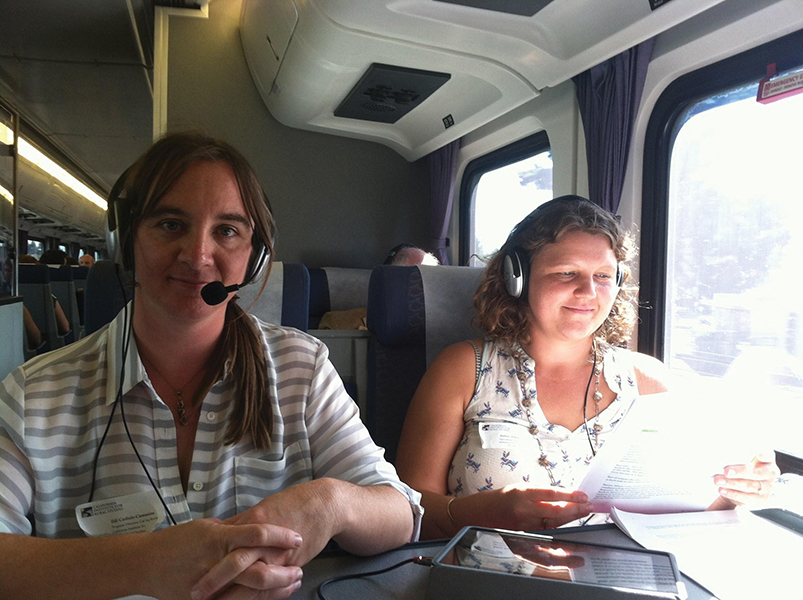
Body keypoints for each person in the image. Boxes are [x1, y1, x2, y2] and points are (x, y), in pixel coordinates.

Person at [0, 132, 421, 599]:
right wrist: (146, 562)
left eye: (227, 230)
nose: (198, 256)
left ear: (254, 254)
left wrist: (330, 502)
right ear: (125, 241)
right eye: (170, 224)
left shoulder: (301, 369)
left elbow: (400, 513)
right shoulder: (33, 395)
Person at [395, 195, 779, 540]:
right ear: (518, 279)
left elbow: (688, 514)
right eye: (566, 273)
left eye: (603, 276)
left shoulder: (648, 381)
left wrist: (735, 492)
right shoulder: (464, 369)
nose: (588, 292)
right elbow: (408, 511)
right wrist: (482, 513)